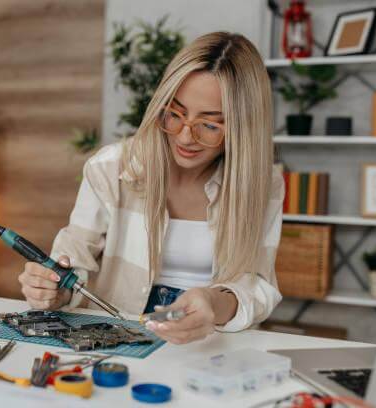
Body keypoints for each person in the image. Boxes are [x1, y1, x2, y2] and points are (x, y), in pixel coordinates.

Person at [18, 31, 284, 344]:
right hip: (118, 336)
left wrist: (215, 304)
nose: (184, 137)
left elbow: (259, 284)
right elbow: (74, 255)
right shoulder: (111, 167)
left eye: (210, 125)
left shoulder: (264, 184)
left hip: (215, 340)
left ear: (243, 129)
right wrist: (54, 289)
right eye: (175, 114)